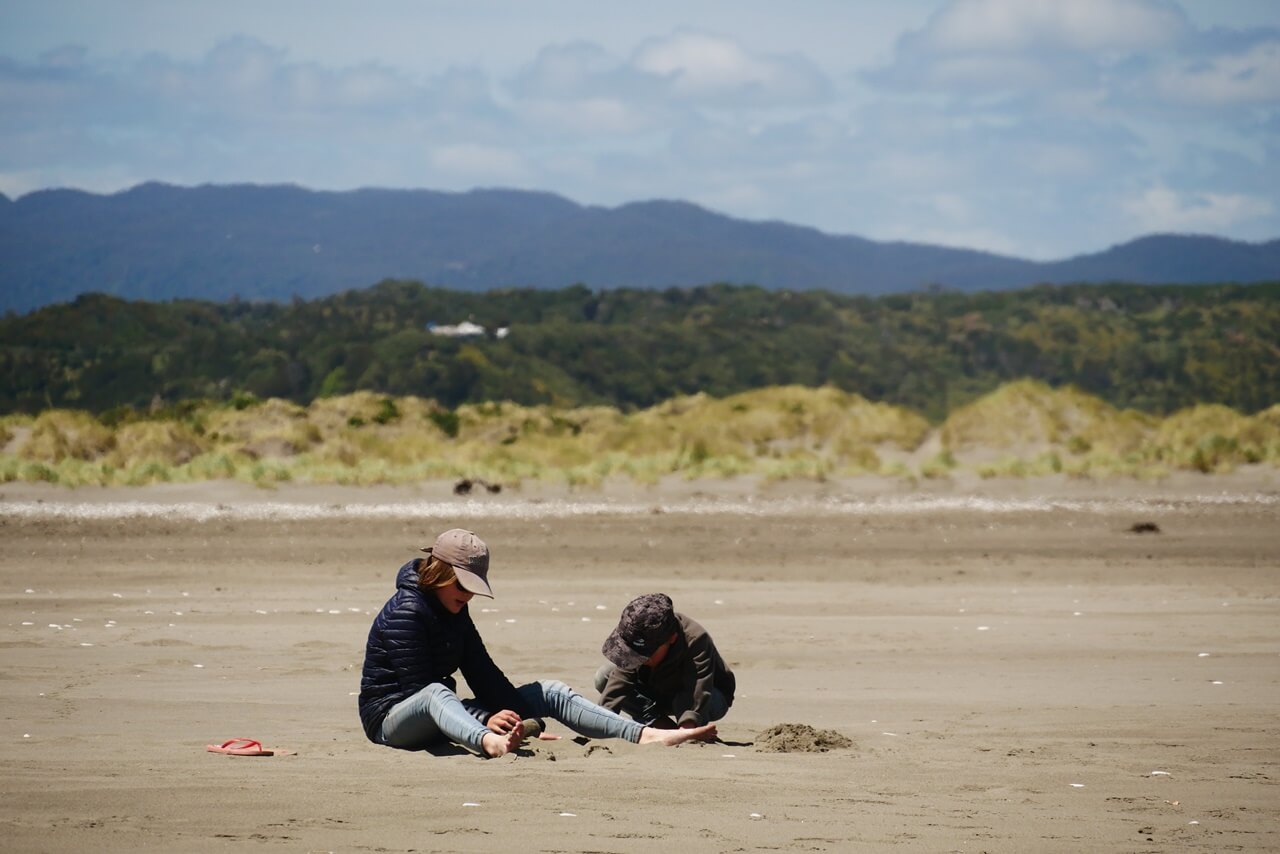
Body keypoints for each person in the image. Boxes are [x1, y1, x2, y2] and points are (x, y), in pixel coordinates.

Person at [358, 528, 717, 758]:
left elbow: (482, 672)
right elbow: (420, 691)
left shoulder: (452, 608)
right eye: (463, 585)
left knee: (549, 691)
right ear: (441, 573)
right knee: (438, 692)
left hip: (440, 708)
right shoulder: (406, 613)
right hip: (392, 720)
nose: (469, 595)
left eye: (474, 587)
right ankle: (490, 744)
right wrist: (486, 722)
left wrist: (521, 719)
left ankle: (644, 735)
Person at [595, 593, 735, 729]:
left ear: (671, 639)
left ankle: (684, 729)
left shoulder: (695, 639)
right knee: (604, 676)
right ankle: (661, 725)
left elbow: (698, 688)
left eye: (646, 655)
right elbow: (620, 682)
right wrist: (602, 722)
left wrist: (688, 729)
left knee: (683, 699)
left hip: (707, 696)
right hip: (658, 690)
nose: (640, 660)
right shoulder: (636, 630)